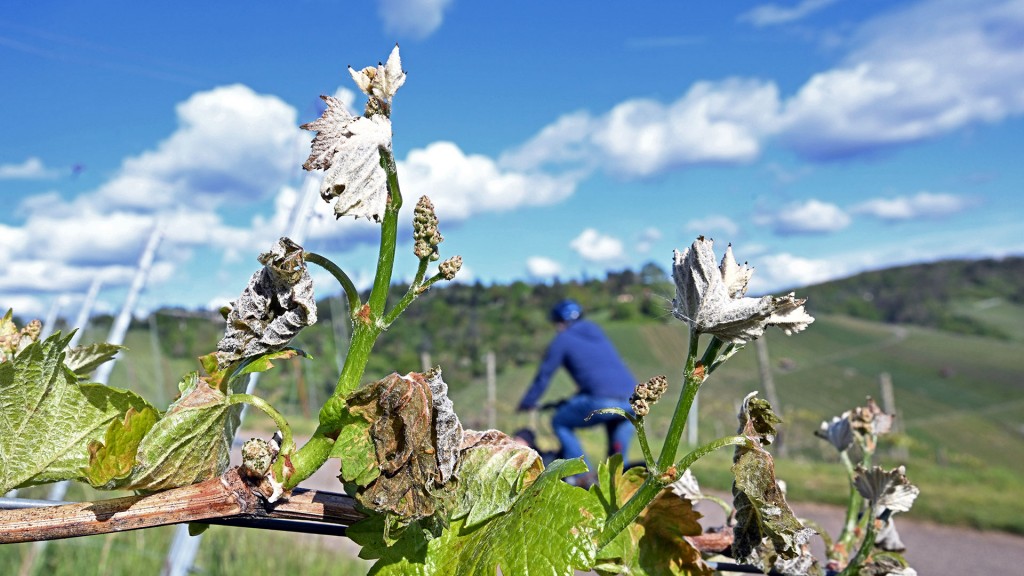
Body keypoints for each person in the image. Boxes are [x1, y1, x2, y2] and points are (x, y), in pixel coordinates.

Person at [516, 299, 636, 475]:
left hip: (600, 399)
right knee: (615, 466)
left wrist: (527, 402)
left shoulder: (563, 339)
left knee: (560, 421)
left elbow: (544, 375)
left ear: (560, 322)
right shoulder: (597, 334)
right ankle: (617, 483)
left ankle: (583, 474)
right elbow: (600, 373)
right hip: (632, 400)